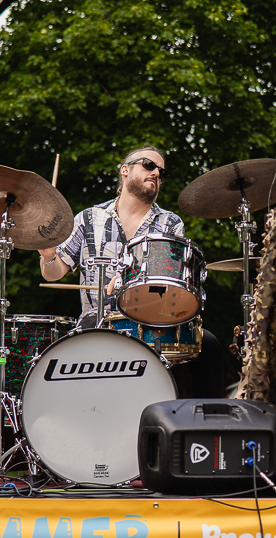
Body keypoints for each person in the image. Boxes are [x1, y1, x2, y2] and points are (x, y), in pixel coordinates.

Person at [39, 146, 224, 399]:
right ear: (125, 170)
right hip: (98, 321)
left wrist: (129, 281)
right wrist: (48, 254)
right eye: (149, 165)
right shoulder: (89, 219)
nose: (156, 172)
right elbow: (53, 274)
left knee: (209, 344)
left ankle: (207, 427)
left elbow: (171, 282)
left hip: (153, 322)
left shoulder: (170, 223)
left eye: (161, 170)